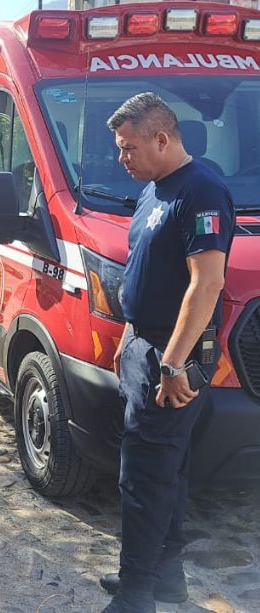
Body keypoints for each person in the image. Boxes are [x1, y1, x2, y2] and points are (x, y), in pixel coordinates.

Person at [100, 93, 235, 613]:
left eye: (128, 147)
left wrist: (174, 362)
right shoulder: (154, 192)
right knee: (167, 470)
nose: (121, 158)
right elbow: (145, 273)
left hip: (172, 356)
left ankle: (137, 593)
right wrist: (125, 340)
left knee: (144, 472)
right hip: (143, 344)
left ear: (162, 138)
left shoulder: (201, 190)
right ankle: (166, 578)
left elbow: (206, 284)